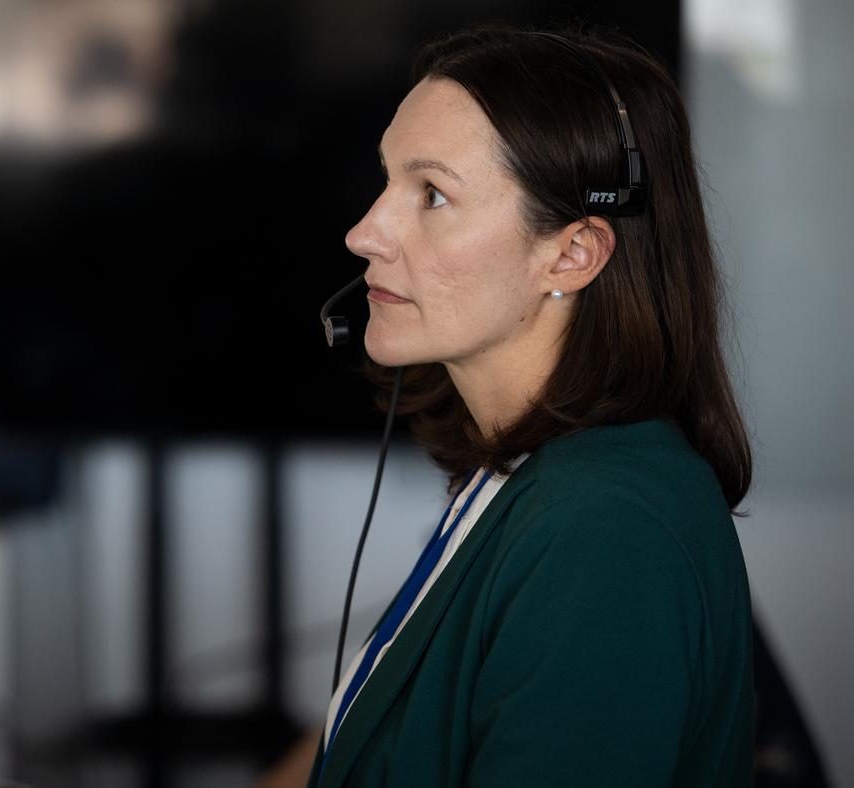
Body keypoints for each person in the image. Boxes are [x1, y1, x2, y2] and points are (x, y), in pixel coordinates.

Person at [293, 24, 756, 788]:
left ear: (572, 255)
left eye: (432, 194)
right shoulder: (530, 476)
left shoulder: (607, 531)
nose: (364, 233)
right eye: (387, 180)